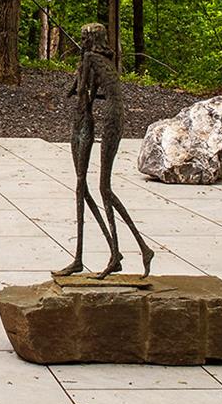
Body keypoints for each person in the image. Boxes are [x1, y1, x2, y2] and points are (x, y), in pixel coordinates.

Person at [55, 23, 155, 278]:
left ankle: (118, 253)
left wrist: (81, 71)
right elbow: (87, 90)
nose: (81, 42)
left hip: (97, 120)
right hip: (113, 118)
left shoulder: (91, 58)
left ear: (89, 40)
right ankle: (120, 252)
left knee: (99, 188)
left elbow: (81, 97)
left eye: (83, 39)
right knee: (86, 187)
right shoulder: (103, 61)